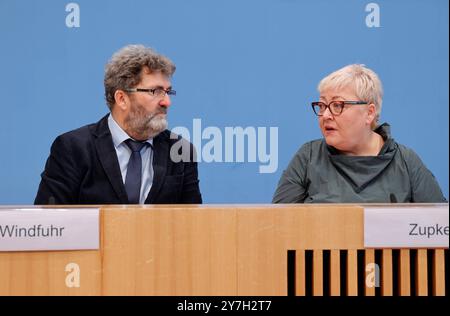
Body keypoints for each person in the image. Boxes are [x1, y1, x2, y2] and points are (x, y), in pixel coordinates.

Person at [35, 44, 202, 204]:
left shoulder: (180, 151)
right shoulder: (74, 149)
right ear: (122, 98)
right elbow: (49, 226)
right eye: (155, 91)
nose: (167, 102)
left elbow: (192, 225)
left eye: (168, 92)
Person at [273, 64, 446, 203]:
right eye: (322, 106)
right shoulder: (309, 157)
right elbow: (275, 226)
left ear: (369, 113)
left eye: (337, 105)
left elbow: (440, 229)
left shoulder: (406, 162)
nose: (325, 115)